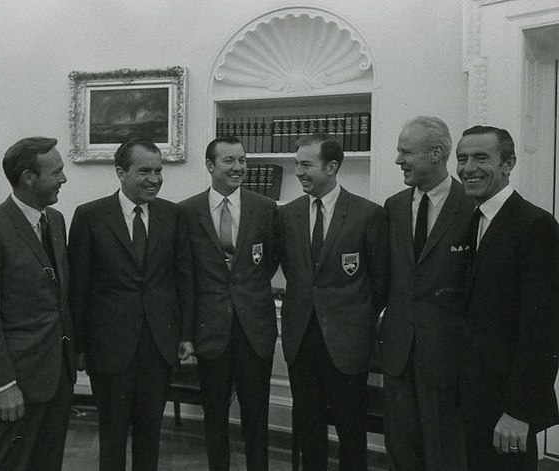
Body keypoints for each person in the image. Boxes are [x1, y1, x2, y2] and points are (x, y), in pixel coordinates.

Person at [68, 137, 194, 471]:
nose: (155, 178)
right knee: (112, 435)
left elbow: (184, 280)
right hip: (108, 349)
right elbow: (78, 288)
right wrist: (79, 345)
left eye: (158, 170)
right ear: (121, 172)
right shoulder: (90, 216)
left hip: (159, 345)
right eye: (145, 171)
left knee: (151, 434)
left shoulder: (173, 215)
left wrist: (185, 335)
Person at [0, 137, 75, 470]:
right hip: (15, 384)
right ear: (28, 177)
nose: (63, 179)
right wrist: (2, 384)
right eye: (56, 172)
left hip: (56, 378)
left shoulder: (55, 221)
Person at [278, 132, 388, 471]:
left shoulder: (367, 214)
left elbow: (380, 282)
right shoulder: (287, 214)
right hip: (301, 340)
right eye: (297, 164)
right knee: (309, 427)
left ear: (333, 167)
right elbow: (292, 271)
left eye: (307, 165)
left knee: (350, 431)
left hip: (347, 343)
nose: (298, 172)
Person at [456, 125, 559, 470]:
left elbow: (543, 330)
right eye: (463, 158)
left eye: (481, 158)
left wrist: (518, 411)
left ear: (509, 163)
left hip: (508, 408)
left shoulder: (535, 225)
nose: (468, 168)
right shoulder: (477, 220)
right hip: (475, 398)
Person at [179, 136, 279, 471]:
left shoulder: (265, 208)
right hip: (211, 330)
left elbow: (269, 262)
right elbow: (186, 276)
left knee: (256, 417)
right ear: (210, 166)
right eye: (229, 161)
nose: (238, 168)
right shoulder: (188, 211)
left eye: (242, 160)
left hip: (254, 329)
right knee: (215, 416)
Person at [379, 116, 472, 470]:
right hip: (399, 353)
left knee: (445, 454)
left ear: (436, 154)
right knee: (401, 452)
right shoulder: (394, 206)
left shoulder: (470, 206)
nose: (399, 160)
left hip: (448, 358)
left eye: (406, 152)